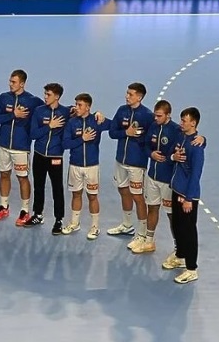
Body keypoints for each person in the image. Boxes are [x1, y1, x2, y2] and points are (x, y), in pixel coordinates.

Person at [139, 100, 205, 257]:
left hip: (168, 181)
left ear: (168, 115)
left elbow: (192, 142)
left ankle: (178, 249)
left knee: (173, 216)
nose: (156, 118)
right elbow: (146, 145)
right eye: (155, 115)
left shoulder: (177, 130)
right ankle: (149, 241)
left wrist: (202, 139)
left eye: (159, 116)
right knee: (152, 208)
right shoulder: (154, 126)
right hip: (152, 176)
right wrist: (151, 154)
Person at [0, 69, 44, 225]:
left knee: (22, 178)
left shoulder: (33, 101)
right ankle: (3, 207)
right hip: (3, 145)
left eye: (13, 82)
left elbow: (51, 107)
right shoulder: (4, 97)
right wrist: (13, 115)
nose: (10, 84)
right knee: (4, 175)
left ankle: (25, 211)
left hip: (21, 147)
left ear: (22, 83)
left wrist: (72, 110)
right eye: (10, 81)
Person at [107, 83, 155, 249]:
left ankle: (142, 234)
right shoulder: (122, 110)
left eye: (131, 94)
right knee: (123, 190)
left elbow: (152, 138)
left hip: (137, 164)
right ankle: (127, 225)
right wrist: (125, 133)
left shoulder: (147, 115)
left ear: (139, 97)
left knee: (138, 196)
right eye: (127, 93)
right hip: (120, 160)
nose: (127, 96)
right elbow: (112, 132)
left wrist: (139, 137)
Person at [61, 93, 111, 239]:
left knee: (92, 196)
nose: (76, 107)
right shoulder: (71, 123)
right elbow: (65, 144)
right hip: (75, 165)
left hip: (92, 166)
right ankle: (74, 223)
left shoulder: (96, 121)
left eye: (80, 105)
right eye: (76, 104)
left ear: (88, 107)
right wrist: (82, 139)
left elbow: (114, 126)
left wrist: (101, 115)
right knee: (76, 194)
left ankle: (95, 227)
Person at [165, 107, 205, 284]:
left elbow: (196, 174)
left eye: (184, 120)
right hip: (176, 190)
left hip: (187, 196)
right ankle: (180, 255)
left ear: (193, 123)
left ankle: (191, 269)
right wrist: (173, 157)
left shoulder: (196, 147)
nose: (181, 123)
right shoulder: (181, 137)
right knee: (178, 226)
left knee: (189, 232)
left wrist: (189, 199)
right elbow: (170, 153)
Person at [25, 83, 70, 234]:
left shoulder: (66, 112)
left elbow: (83, 112)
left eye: (48, 94)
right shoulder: (39, 111)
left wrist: (98, 114)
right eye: (45, 94)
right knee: (38, 186)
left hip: (55, 156)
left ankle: (59, 220)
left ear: (57, 96)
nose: (45, 97)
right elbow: (33, 134)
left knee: (57, 188)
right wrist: (49, 126)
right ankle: (38, 214)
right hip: (39, 155)